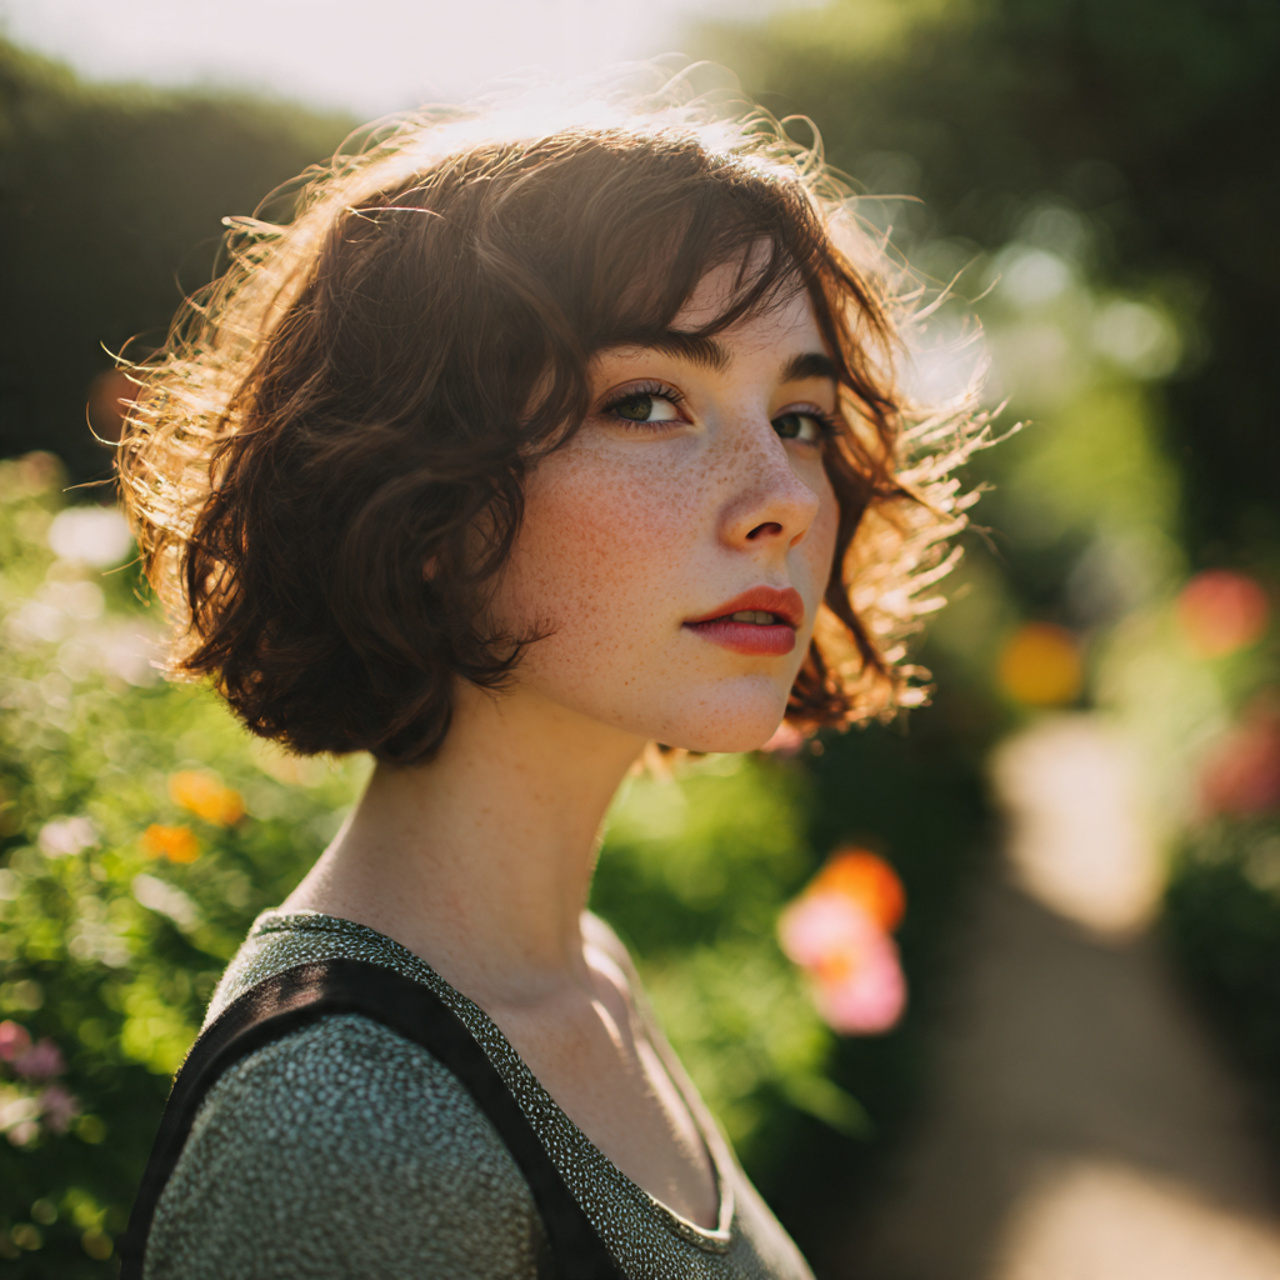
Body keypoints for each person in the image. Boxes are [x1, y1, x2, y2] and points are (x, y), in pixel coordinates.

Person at [116, 70, 980, 1280]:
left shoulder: (578, 970)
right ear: (419, 494)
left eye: (799, 417)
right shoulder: (355, 1129)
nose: (786, 497)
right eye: (648, 401)